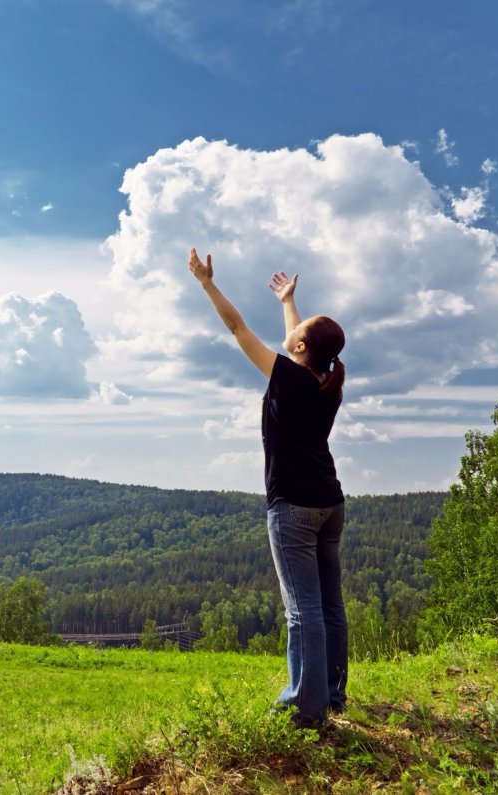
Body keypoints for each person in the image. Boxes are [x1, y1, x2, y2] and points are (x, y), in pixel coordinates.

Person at [187, 247, 347, 729]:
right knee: (330, 606)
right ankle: (333, 694)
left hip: (293, 508)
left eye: (298, 332)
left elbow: (237, 328)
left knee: (303, 612)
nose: (292, 335)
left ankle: (305, 708)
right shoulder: (324, 379)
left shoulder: (291, 377)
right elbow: (297, 343)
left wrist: (206, 283)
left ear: (300, 348)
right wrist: (287, 303)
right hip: (330, 504)